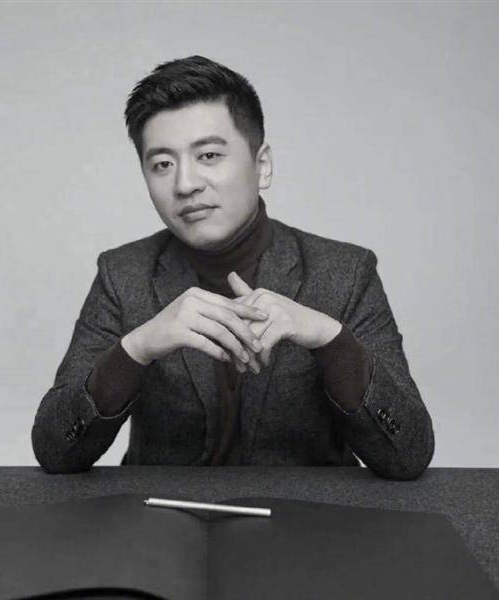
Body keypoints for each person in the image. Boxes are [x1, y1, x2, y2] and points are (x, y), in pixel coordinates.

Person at [31, 55, 435, 479]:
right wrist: (137, 349)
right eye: (162, 164)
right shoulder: (122, 274)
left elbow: (407, 455)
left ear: (262, 166)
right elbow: (56, 452)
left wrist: (330, 340)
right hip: (161, 512)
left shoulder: (346, 272)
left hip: (304, 514)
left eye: (208, 155)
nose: (185, 184)